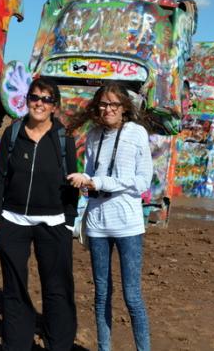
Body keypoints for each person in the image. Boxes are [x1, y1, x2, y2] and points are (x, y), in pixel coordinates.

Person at [0, 77, 78, 351]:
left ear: (54, 106)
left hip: (54, 223)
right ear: (27, 100)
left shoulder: (64, 138)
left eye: (46, 99)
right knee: (14, 291)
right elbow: (0, 176)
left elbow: (72, 182)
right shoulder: (13, 133)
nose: (39, 103)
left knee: (57, 290)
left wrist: (68, 222)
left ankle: (58, 345)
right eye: (35, 97)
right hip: (13, 222)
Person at [67, 83, 153, 351]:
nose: (108, 109)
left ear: (124, 107)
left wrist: (99, 182)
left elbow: (142, 182)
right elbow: (91, 177)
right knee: (101, 294)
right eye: (103, 104)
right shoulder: (93, 136)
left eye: (114, 104)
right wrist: (84, 185)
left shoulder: (137, 133)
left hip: (128, 225)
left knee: (132, 297)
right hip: (97, 224)